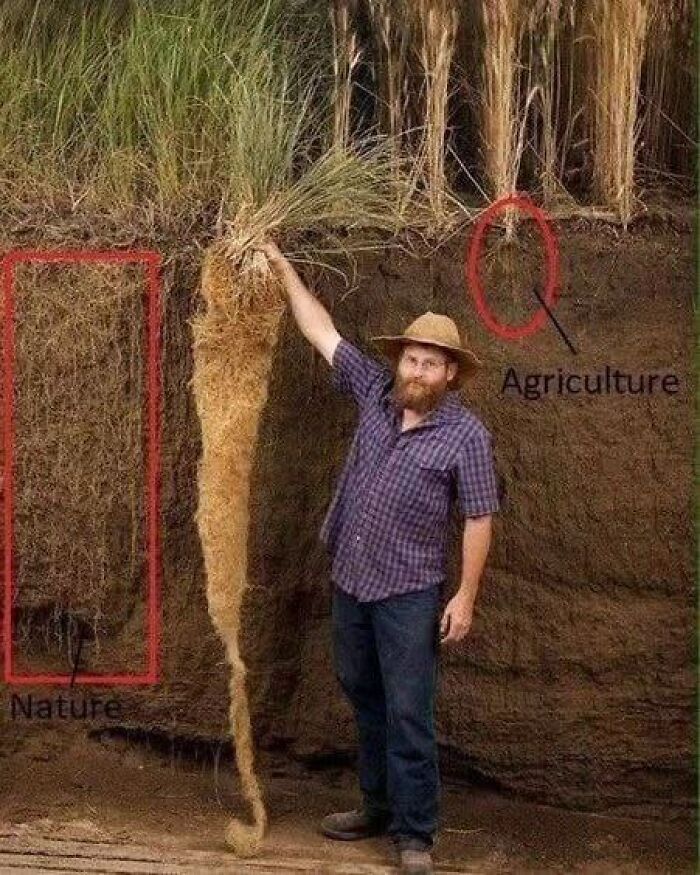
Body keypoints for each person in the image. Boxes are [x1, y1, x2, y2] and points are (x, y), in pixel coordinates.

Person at [255, 239, 500, 875]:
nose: (416, 372)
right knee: (363, 695)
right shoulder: (373, 392)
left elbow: (479, 517)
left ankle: (415, 834)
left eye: (430, 365)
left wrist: (465, 596)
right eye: (411, 360)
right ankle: (375, 807)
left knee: (409, 712)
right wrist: (284, 268)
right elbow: (321, 331)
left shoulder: (466, 436)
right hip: (352, 584)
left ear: (450, 375)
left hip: (411, 594)